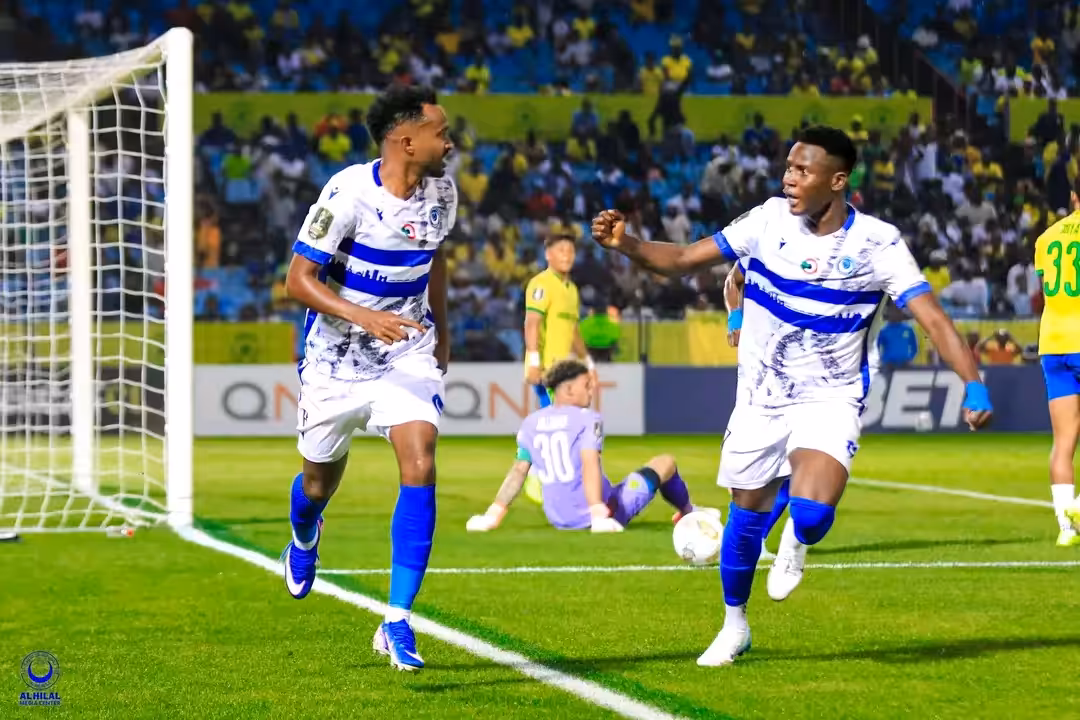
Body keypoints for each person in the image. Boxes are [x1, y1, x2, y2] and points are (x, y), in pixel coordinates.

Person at [590, 125, 993, 667]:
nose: (789, 178)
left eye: (803, 170)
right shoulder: (767, 220)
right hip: (760, 398)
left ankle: (798, 540)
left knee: (811, 513)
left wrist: (973, 383)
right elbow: (684, 258)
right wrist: (628, 244)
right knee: (746, 517)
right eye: (788, 168)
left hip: (831, 397)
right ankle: (734, 625)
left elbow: (934, 319)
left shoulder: (877, 243)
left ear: (837, 181)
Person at [282, 85, 456, 672]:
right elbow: (298, 280)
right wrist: (364, 317)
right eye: (440, 132)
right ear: (405, 140)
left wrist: (442, 332)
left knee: (421, 458)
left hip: (407, 350)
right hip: (334, 360)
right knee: (316, 484)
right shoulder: (347, 193)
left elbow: (434, 259)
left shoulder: (443, 192)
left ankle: (397, 620)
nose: (450, 142)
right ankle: (305, 536)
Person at [464, 359, 711, 532]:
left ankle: (492, 517)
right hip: (605, 511)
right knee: (665, 463)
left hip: (558, 519)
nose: (591, 392)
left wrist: (492, 515)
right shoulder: (587, 419)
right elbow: (589, 462)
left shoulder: (531, 423)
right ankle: (688, 511)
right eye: (586, 386)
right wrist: (597, 512)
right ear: (569, 389)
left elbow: (519, 470)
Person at [724, 260, 785, 564]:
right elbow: (731, 281)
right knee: (751, 475)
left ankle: (755, 539)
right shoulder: (763, 243)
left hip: (799, 372)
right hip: (758, 376)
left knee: (793, 471)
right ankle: (744, 539)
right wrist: (735, 318)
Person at [1034, 179, 1080, 546]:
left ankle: (1066, 529)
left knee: (1063, 443)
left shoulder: (1046, 238)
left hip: (1053, 342)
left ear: (1074, 196)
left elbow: (1043, 292)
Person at [523, 234, 595, 409]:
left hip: (565, 368)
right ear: (548, 255)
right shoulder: (541, 283)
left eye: (571, 251)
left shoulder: (572, 289)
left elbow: (573, 330)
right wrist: (534, 362)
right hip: (547, 368)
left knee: (568, 418)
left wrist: (589, 364)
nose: (567, 256)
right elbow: (532, 323)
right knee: (559, 417)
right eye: (561, 250)